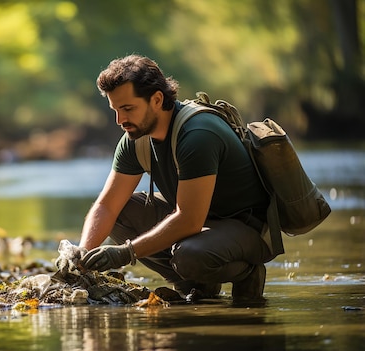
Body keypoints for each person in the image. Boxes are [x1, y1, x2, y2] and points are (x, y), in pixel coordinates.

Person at [64, 54, 280, 305]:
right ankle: (198, 284)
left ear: (157, 99)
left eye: (128, 109)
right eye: (115, 110)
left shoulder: (197, 135)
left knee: (189, 255)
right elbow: (107, 206)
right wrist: (82, 253)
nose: (120, 121)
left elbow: (189, 220)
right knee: (122, 213)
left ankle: (247, 273)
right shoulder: (135, 138)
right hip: (202, 228)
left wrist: (126, 253)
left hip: (248, 230)